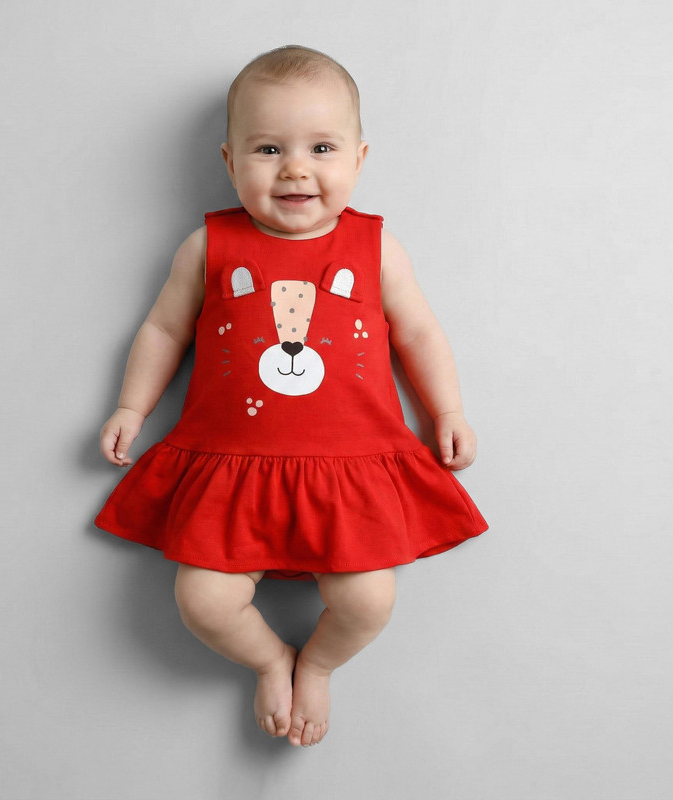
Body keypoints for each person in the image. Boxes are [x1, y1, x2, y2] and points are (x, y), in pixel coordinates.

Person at [95, 45, 487, 748]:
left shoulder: (376, 248)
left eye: (322, 148)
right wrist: (132, 407)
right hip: (233, 472)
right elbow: (163, 329)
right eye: (269, 148)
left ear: (359, 159)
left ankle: (320, 665)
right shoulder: (208, 246)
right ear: (229, 161)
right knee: (203, 600)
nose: (296, 169)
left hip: (350, 474)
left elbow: (420, 334)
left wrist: (447, 411)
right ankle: (271, 659)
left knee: (369, 599)